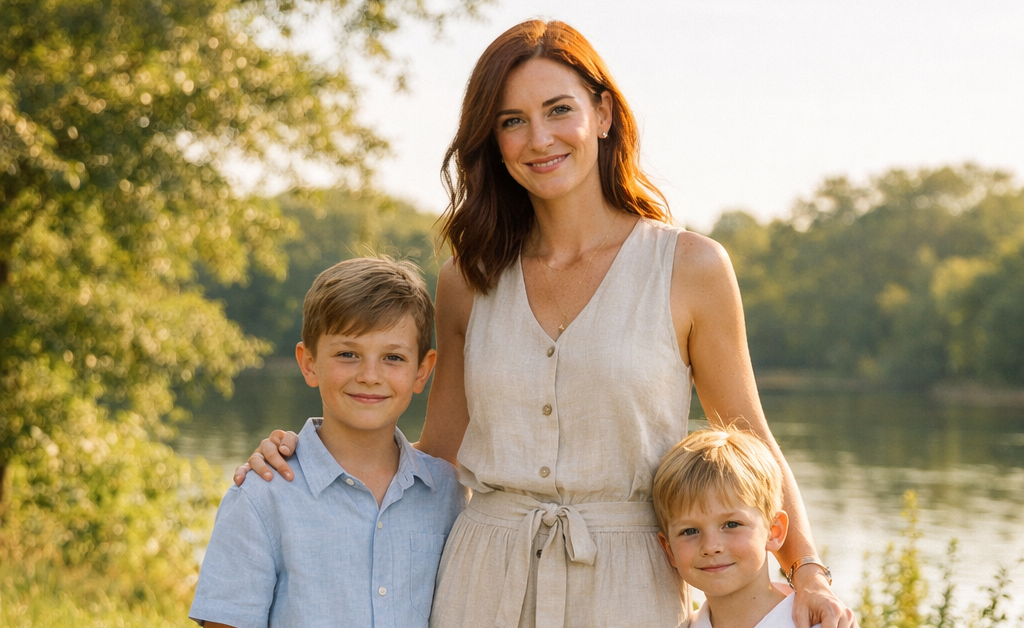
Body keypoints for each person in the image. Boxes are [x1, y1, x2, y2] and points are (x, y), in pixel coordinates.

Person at [237, 19, 856, 628]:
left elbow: (750, 439)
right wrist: (308, 459)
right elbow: (437, 457)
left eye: (559, 110)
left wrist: (806, 571)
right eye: (512, 121)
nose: (539, 139)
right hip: (479, 583)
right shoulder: (466, 279)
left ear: (604, 115)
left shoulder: (690, 267)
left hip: (631, 586)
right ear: (493, 140)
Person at [190, 257, 467, 628]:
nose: (370, 375)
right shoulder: (263, 493)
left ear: (422, 371)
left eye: (393, 357)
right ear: (308, 363)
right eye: (348, 354)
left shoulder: (446, 492)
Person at [654, 428, 821, 628]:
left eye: (732, 524)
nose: (711, 546)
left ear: (774, 530)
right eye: (689, 531)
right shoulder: (683, 625)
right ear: (669, 549)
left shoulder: (818, 623)